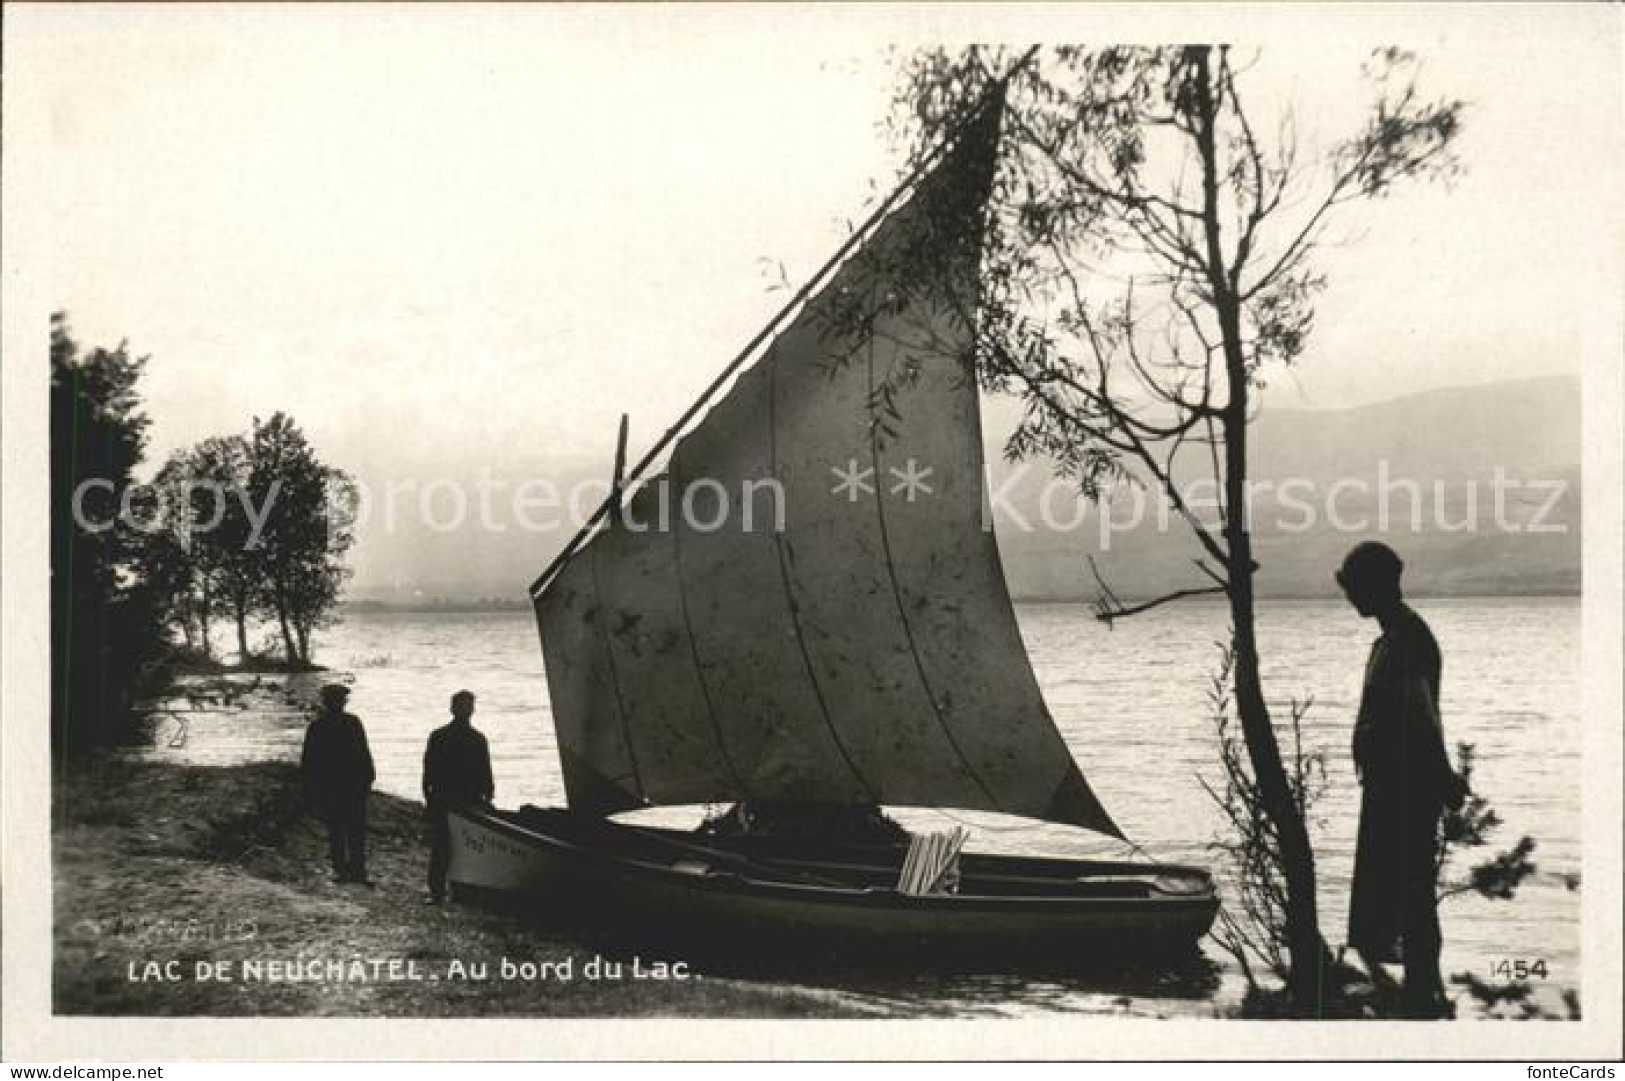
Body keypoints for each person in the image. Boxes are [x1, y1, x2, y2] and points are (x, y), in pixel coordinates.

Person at [1336, 541, 1467, 1017]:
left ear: (1378, 585)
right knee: (1393, 887)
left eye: (1355, 587)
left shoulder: (1410, 640)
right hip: (1390, 784)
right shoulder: (1391, 639)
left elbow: (1424, 713)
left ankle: (1423, 990)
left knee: (1410, 888)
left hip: (1408, 786)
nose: (1350, 598)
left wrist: (1444, 775)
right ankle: (1413, 987)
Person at [422, 689, 494, 904]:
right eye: (464, 706)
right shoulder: (469, 738)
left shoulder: (447, 736)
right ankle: (442, 892)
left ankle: (443, 892)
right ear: (453, 709)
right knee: (450, 847)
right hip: (457, 798)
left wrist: (428, 794)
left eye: (468, 706)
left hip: (457, 798)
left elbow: (485, 771)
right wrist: (488, 795)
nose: (466, 710)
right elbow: (429, 769)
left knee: (449, 847)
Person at [300, 682, 375, 885]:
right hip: (348, 785)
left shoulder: (318, 726)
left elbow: (308, 762)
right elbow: (363, 754)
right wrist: (368, 779)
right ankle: (355, 870)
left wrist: (310, 788)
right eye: (339, 700)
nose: (339, 703)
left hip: (335, 785)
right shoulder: (351, 723)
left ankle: (344, 869)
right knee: (352, 829)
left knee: (339, 829)